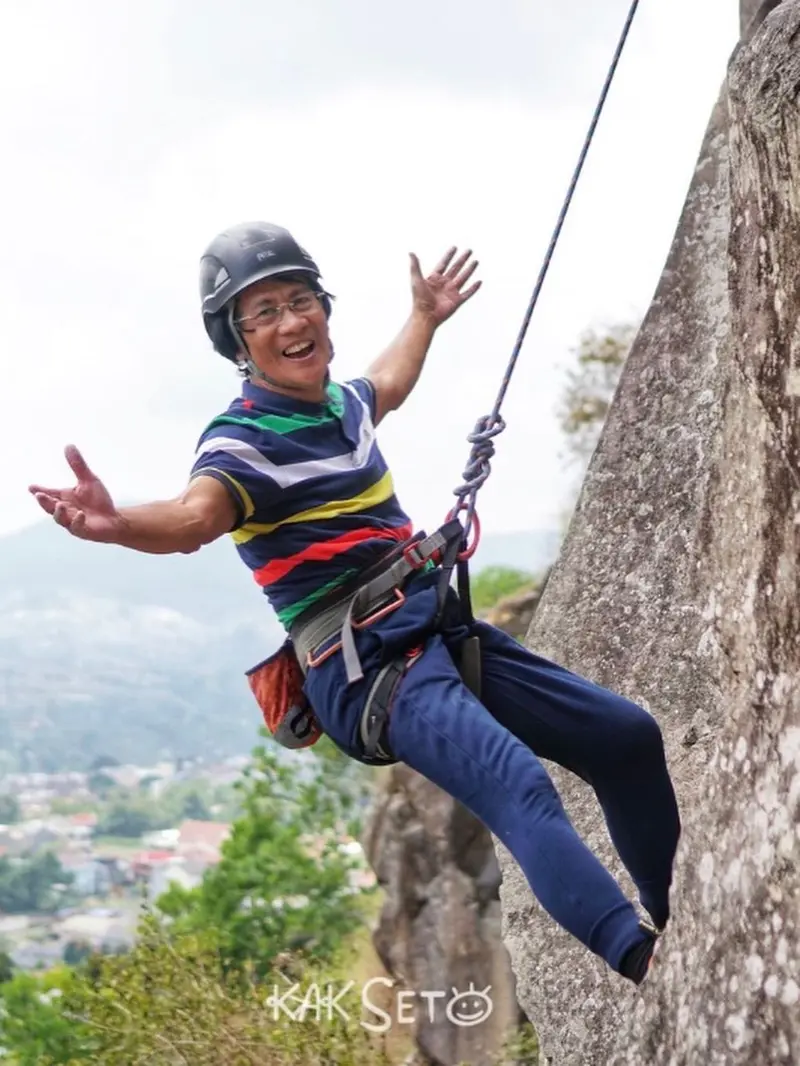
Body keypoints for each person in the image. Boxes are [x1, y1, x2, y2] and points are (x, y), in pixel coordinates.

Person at [29, 221, 680, 986]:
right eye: (262, 313)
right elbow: (193, 519)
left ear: (325, 312)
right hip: (366, 666)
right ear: (238, 345)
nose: (290, 322)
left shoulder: (342, 406)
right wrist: (117, 525)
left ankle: (676, 915)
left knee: (626, 737)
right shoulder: (241, 442)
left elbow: (389, 384)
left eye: (300, 301)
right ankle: (651, 966)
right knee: (515, 781)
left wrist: (424, 318)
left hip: (428, 626)